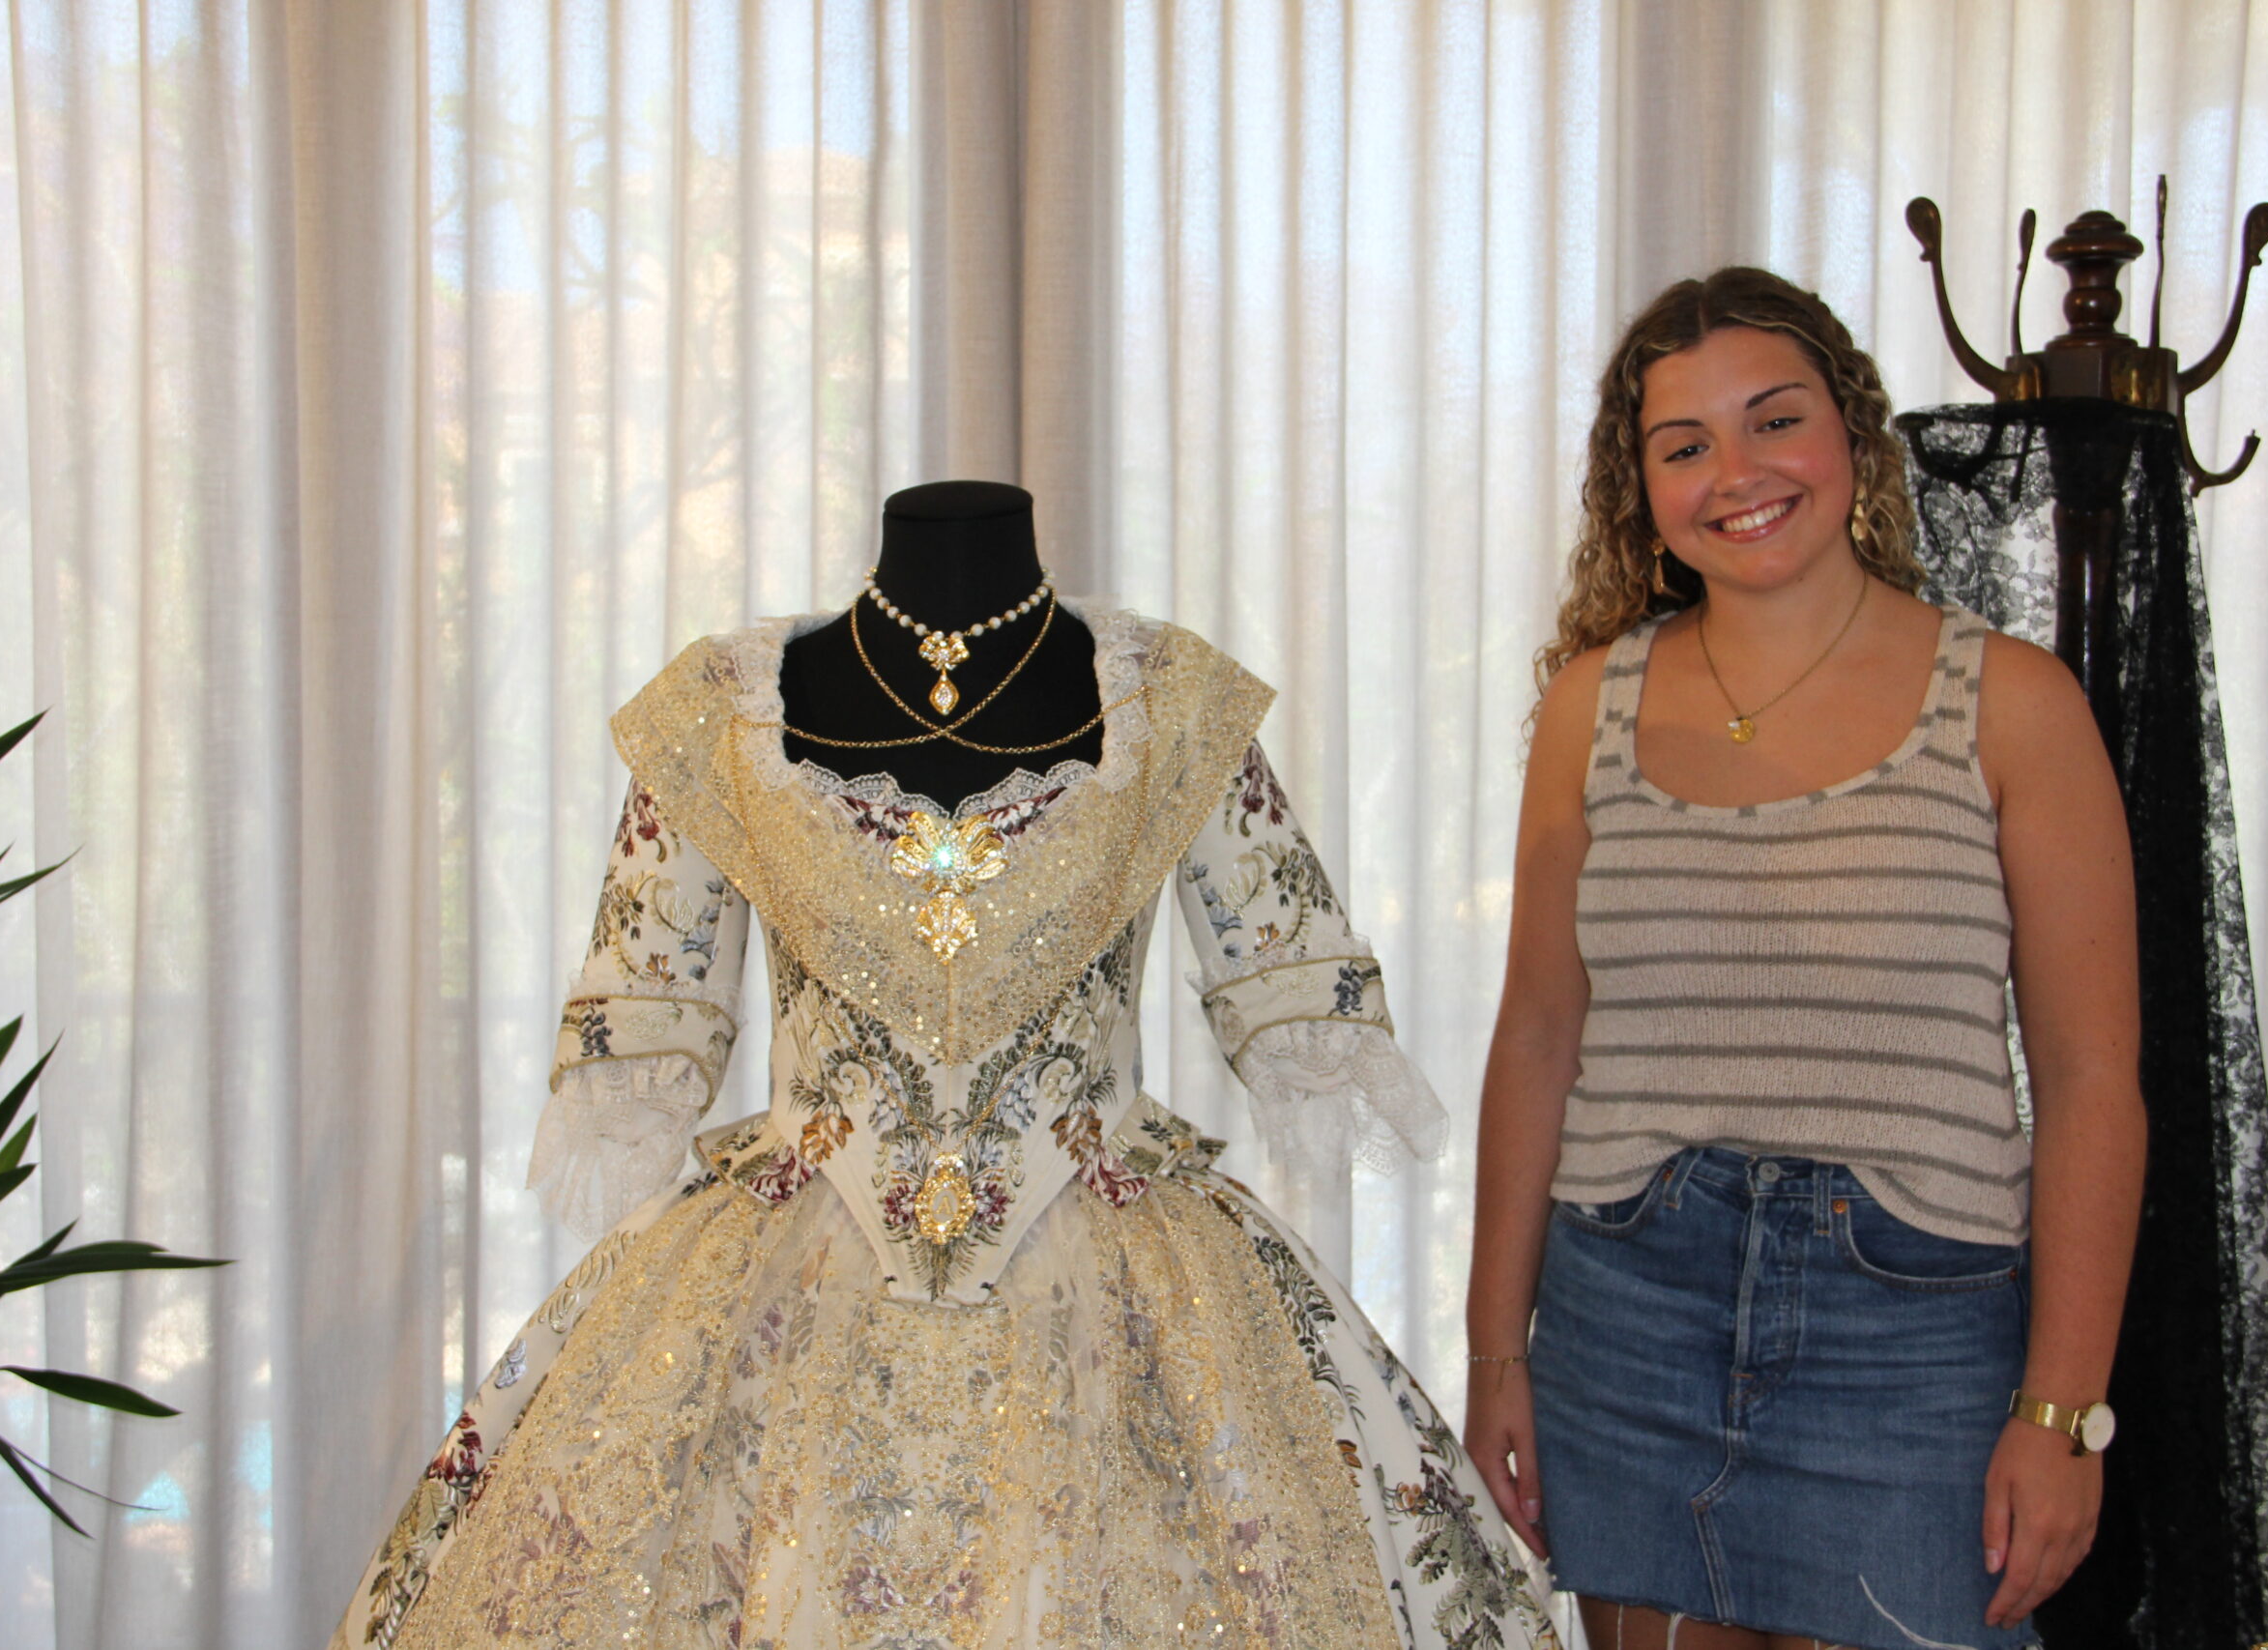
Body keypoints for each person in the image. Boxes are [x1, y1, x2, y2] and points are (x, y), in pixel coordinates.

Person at [328, 481, 1562, 1649]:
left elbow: (1294, 994)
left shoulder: (1169, 699)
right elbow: (644, 1017)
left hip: (1120, 1273)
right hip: (790, 1267)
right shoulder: (722, 708)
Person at [1463, 271, 2145, 1650]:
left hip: (1912, 1341)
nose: (1739, 473)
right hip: (1626, 1311)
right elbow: (1538, 1034)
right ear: (1637, 484)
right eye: (1685, 443)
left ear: (1853, 434)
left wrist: (2062, 1409)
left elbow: (2090, 1081)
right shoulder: (1590, 705)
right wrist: (1493, 1355)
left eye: (1774, 419)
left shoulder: (2010, 702)